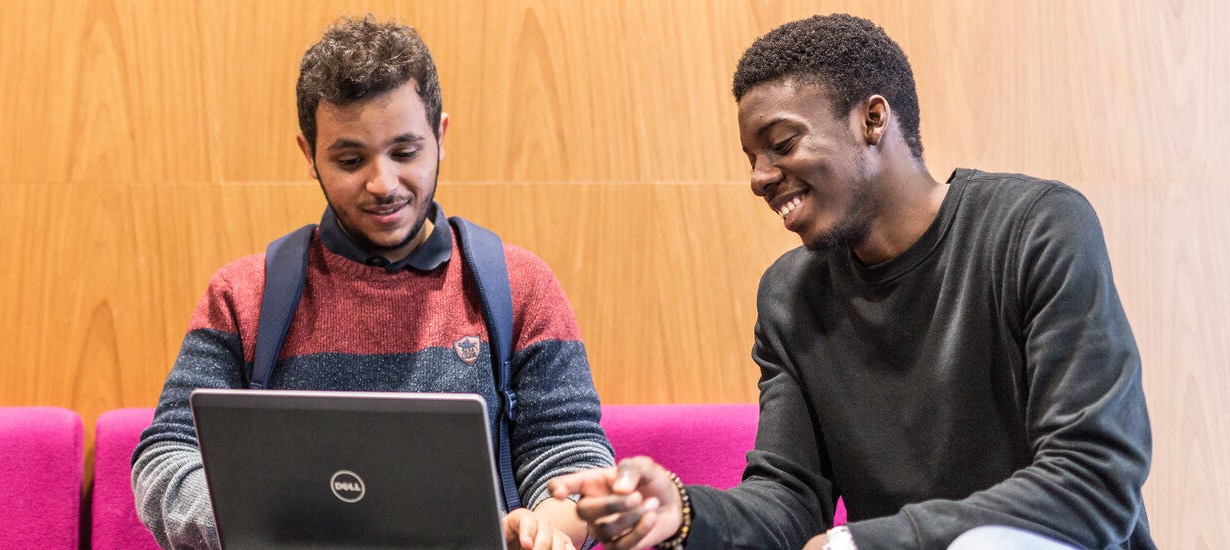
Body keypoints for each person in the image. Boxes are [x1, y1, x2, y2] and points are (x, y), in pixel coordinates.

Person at [549, 13, 1153, 550]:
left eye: (781, 144)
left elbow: (1094, 479)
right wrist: (682, 510)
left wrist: (861, 541)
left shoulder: (1036, 229)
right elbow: (786, 499)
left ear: (872, 119)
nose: (759, 179)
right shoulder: (790, 296)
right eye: (750, 159)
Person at [131, 15, 614, 550]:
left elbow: (575, 460)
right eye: (350, 159)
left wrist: (546, 525)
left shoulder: (520, 287)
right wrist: (265, 521)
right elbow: (165, 460)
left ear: (441, 136)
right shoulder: (245, 295)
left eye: (405, 153)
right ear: (309, 155)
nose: (383, 184)